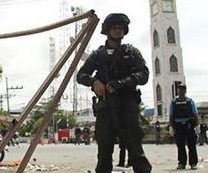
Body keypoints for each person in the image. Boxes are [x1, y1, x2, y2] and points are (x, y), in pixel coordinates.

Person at [77, 13, 152, 173]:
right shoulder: (99, 54)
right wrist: (94, 82)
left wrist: (122, 83)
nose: (118, 31)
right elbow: (81, 75)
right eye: (115, 28)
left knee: (134, 145)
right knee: (104, 148)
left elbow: (144, 74)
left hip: (127, 103)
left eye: (121, 28)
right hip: (106, 105)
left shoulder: (131, 52)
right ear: (107, 31)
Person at [169, 83, 199, 170]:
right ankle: (182, 163)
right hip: (178, 126)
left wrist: (197, 126)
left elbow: (195, 114)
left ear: (185, 91)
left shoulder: (190, 101)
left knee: (192, 145)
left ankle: (193, 163)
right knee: (180, 145)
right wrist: (171, 127)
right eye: (179, 89)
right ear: (177, 90)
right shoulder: (174, 102)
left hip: (189, 125)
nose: (180, 91)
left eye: (182, 89)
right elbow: (171, 115)